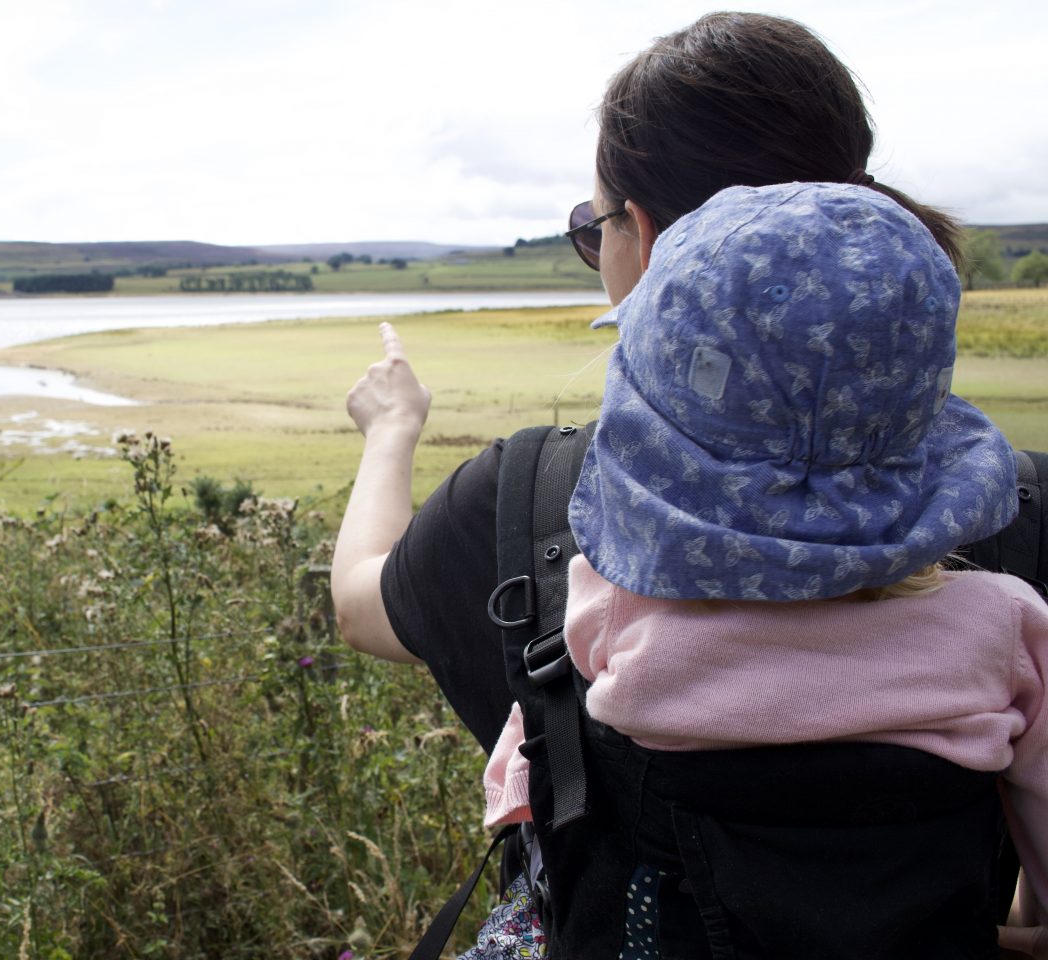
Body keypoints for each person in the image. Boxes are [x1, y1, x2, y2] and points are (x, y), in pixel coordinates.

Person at [328, 10, 1047, 957]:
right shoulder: (1021, 534)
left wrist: (391, 430)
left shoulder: (542, 502)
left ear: (654, 240)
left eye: (593, 230)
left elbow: (362, 604)